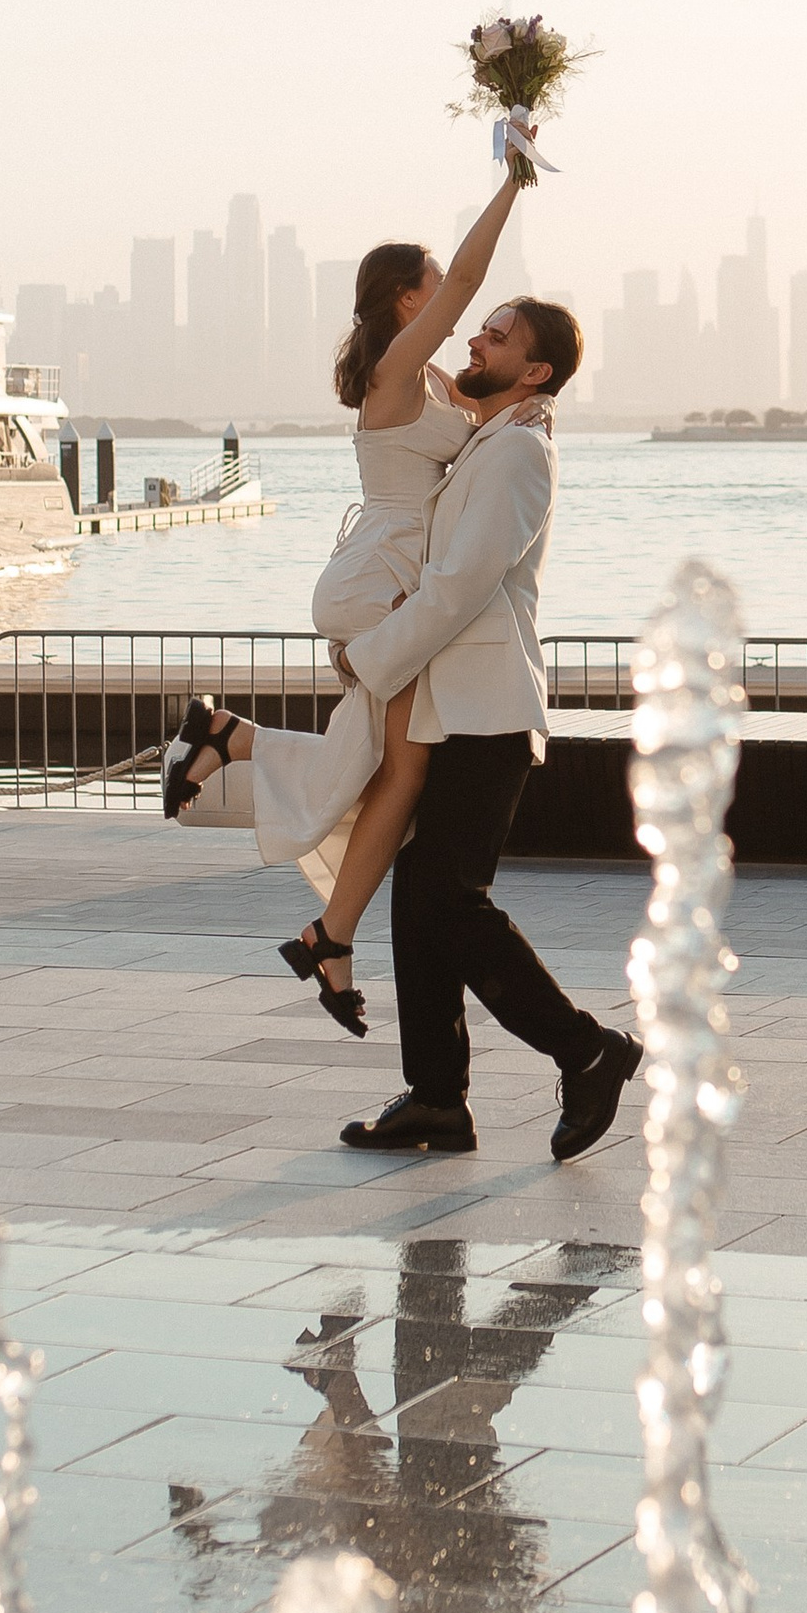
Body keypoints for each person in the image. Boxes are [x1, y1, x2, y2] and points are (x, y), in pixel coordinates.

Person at [159, 173, 525, 1032]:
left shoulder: (429, 376)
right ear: (408, 298)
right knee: (401, 772)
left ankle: (325, 923)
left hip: (389, 580)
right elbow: (472, 281)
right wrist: (511, 183)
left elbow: (509, 401)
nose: (453, 303)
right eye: (434, 289)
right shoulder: (395, 373)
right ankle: (317, 907)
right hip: (378, 582)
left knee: (385, 769)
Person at [328, 295, 640, 1163]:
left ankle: (587, 1051)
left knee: (445, 898)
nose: (476, 336)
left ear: (535, 372)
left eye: (496, 336)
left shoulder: (517, 455)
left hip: (489, 711)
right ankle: (437, 1098)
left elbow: (461, 584)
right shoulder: (489, 439)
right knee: (424, 893)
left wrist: (371, 655)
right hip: (455, 705)